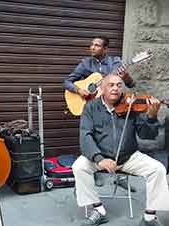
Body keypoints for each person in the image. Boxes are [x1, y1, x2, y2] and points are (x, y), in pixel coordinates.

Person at [72, 73, 169, 226]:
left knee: (158, 169)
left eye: (119, 85)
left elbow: (146, 135)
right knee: (79, 167)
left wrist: (152, 116)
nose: (116, 88)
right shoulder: (91, 107)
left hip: (128, 157)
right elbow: (85, 135)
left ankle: (150, 216)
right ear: (102, 88)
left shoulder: (132, 105)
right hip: (100, 156)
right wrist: (99, 159)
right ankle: (98, 209)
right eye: (111, 85)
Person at [63, 36, 136, 190]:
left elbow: (131, 84)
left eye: (97, 45)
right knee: (89, 136)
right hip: (93, 106)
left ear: (105, 49)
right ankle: (95, 170)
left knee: (119, 137)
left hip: (115, 106)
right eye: (92, 45)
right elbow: (67, 81)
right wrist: (79, 90)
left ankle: (120, 174)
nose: (92, 47)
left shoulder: (115, 63)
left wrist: (126, 77)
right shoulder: (85, 63)